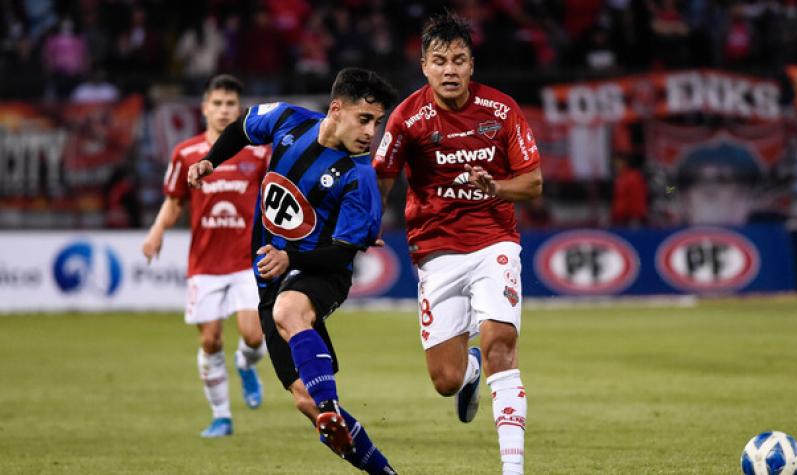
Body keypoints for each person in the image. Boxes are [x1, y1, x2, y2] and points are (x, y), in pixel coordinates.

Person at [187, 67, 398, 474]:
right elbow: (242, 127)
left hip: (321, 272)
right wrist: (211, 160)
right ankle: (383, 470)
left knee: (290, 311)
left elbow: (341, 255)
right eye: (365, 119)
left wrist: (292, 259)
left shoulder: (359, 176)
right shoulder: (288, 120)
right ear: (336, 109)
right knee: (306, 401)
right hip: (270, 277)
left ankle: (329, 406)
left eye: (378, 122)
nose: (372, 131)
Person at [373, 12, 542, 475]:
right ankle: (467, 372)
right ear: (424, 66)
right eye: (440, 60)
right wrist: (364, 229)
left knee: (501, 345)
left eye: (459, 60)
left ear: (472, 65)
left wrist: (497, 189)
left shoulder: (502, 110)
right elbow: (381, 178)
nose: (450, 69)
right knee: (445, 381)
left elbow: (533, 183)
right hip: (436, 251)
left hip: (494, 242)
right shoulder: (407, 118)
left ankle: (513, 468)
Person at [142, 74, 267, 438]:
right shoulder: (186, 152)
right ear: (204, 108)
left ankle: (245, 364)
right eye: (218, 104)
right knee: (210, 339)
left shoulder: (258, 151)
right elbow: (174, 200)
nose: (224, 110)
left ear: (239, 109)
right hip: (206, 264)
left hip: (248, 260)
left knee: (254, 336)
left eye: (231, 104)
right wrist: (157, 231)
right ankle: (221, 416)